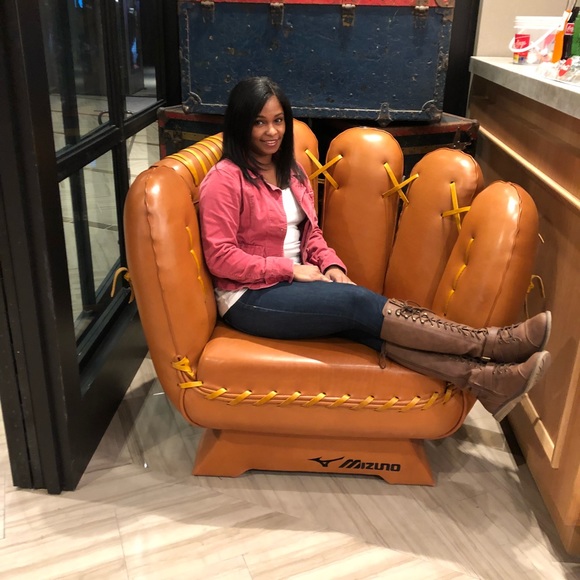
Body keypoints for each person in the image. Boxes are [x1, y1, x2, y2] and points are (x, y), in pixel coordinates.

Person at [199, 76, 551, 422]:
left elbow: (312, 234)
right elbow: (220, 257)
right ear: (240, 124)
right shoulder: (225, 179)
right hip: (248, 297)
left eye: (278, 120)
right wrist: (289, 269)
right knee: (356, 302)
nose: (271, 131)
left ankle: (489, 380)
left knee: (368, 329)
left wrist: (331, 266)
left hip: (296, 285)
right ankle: (491, 343)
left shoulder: (291, 172)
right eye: (259, 122)